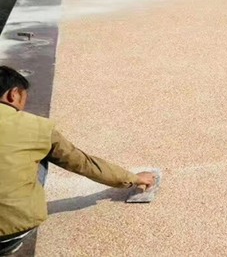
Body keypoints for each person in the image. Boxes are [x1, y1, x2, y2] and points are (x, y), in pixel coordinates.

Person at [0, 67, 156, 255]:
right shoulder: (36, 127)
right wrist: (133, 178)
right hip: (11, 233)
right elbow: (82, 163)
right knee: (38, 154)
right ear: (13, 94)